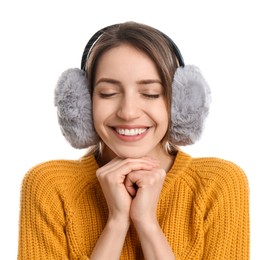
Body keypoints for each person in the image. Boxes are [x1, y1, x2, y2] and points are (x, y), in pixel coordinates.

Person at [18, 21, 249, 259]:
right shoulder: (50, 186)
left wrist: (147, 224)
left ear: (180, 103)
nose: (128, 112)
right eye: (108, 93)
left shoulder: (218, 185)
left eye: (150, 94)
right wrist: (116, 223)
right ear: (84, 103)